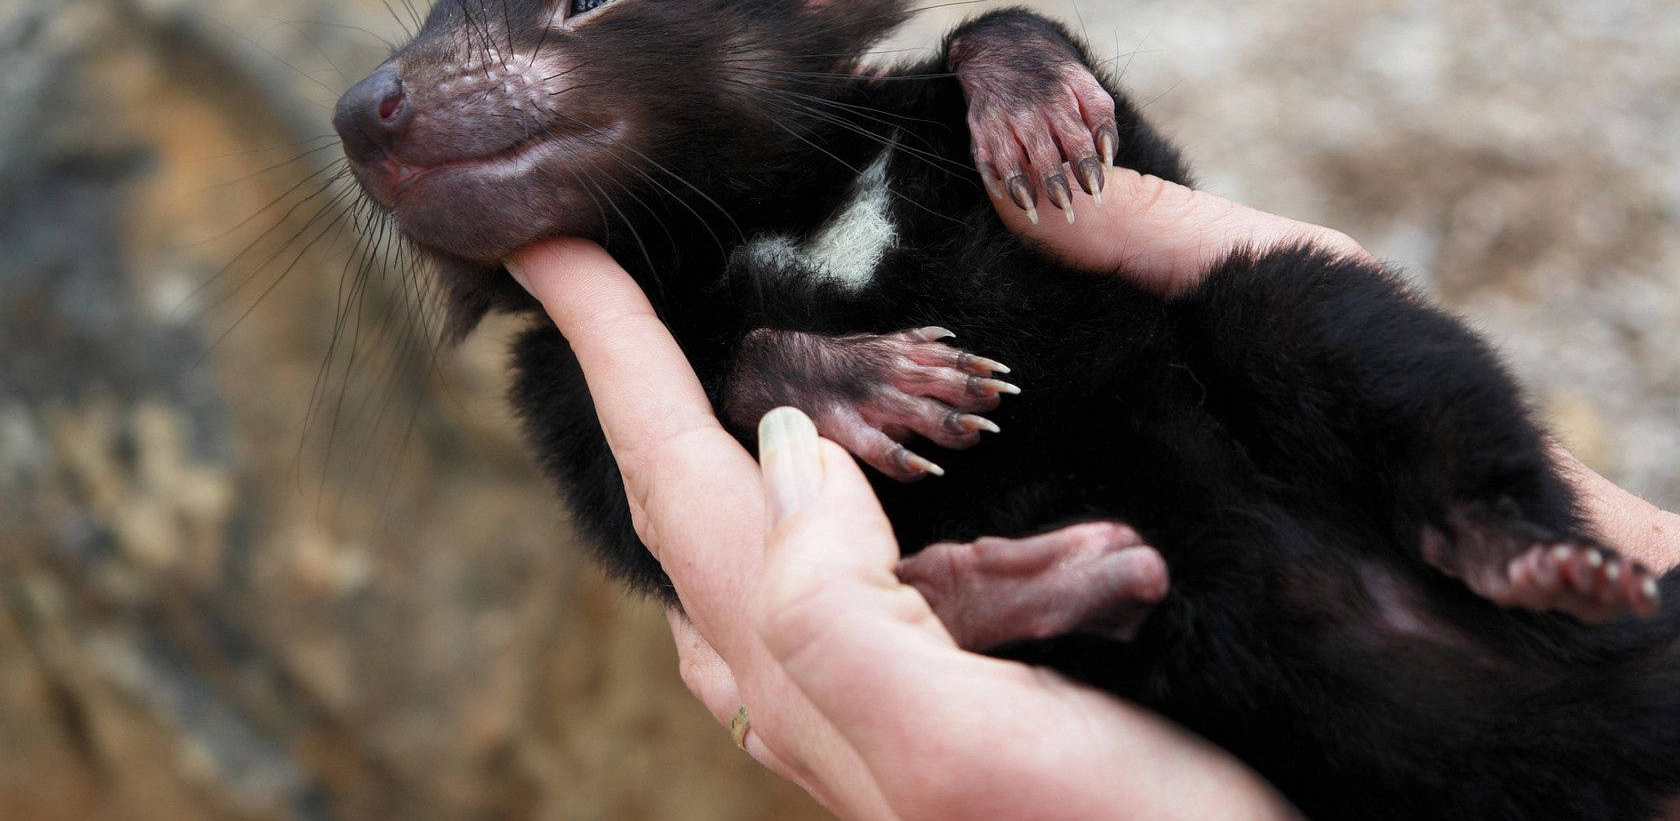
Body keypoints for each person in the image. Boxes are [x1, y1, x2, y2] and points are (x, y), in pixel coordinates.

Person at [506, 166, 1680, 821]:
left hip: (1315, 463)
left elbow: (1128, 187)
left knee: (1281, 302)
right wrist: (755, 372)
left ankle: (1482, 516)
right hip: (1213, 612)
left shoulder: (927, 102)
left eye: (590, 2)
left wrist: (1018, 58)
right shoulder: (571, 369)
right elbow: (659, 530)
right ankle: (1045, 606)